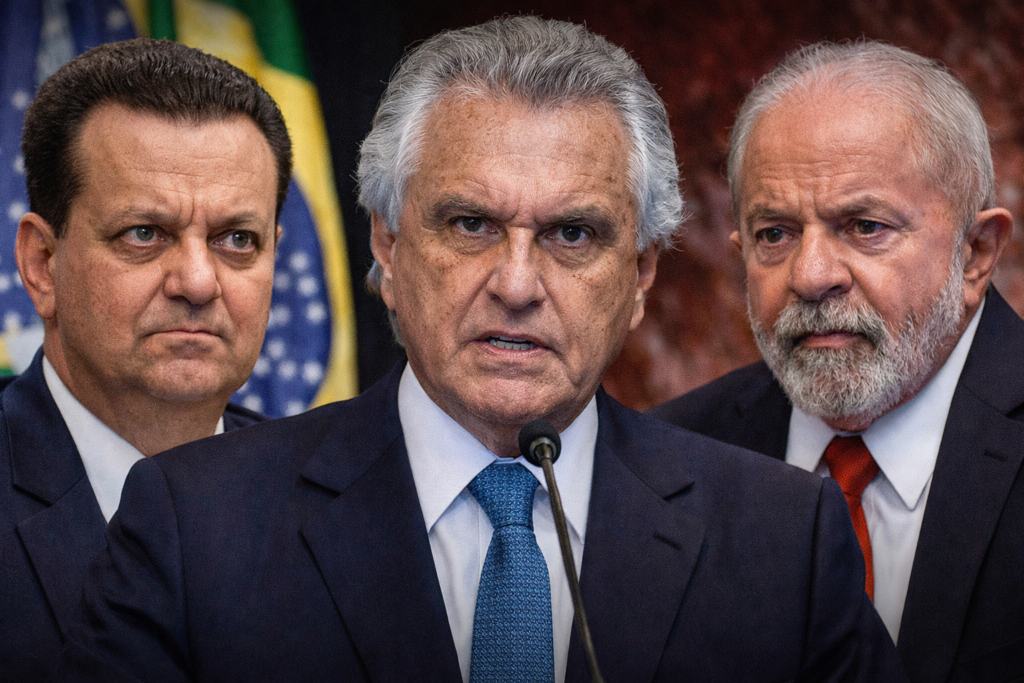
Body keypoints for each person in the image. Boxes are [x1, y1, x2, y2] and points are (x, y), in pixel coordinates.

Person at [60, 19, 905, 682]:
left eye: (572, 234)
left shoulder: (782, 538)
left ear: (641, 274)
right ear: (388, 246)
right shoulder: (194, 523)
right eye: (471, 224)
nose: (517, 283)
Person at [651, 40, 1022, 682]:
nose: (812, 275)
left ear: (976, 253)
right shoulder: (670, 460)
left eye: (865, 226)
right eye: (775, 234)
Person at [0, 38, 288, 681]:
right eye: (144, 234)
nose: (198, 282)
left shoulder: (340, 506)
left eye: (237, 239)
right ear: (42, 264)